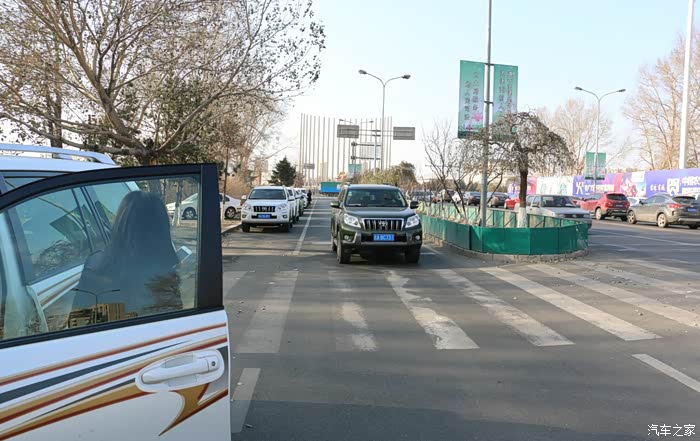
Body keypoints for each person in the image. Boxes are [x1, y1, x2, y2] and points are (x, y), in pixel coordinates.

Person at [75, 191, 182, 320]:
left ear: (120, 223)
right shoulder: (165, 275)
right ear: (162, 231)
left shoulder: (94, 266)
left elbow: (78, 320)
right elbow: (175, 323)